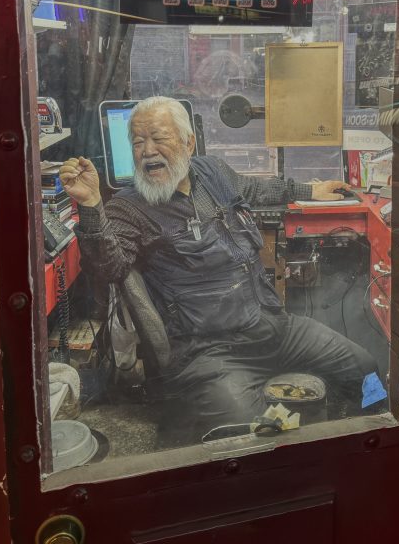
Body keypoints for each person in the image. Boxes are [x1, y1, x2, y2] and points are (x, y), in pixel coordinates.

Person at [61, 96, 382, 439]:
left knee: (366, 371)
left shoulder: (212, 172)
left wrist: (310, 189)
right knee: (250, 434)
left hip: (273, 328)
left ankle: (363, 447)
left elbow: (255, 188)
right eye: (138, 142)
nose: (147, 151)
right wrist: (93, 205)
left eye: (159, 138)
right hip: (210, 354)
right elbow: (106, 269)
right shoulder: (129, 207)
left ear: (188, 142)